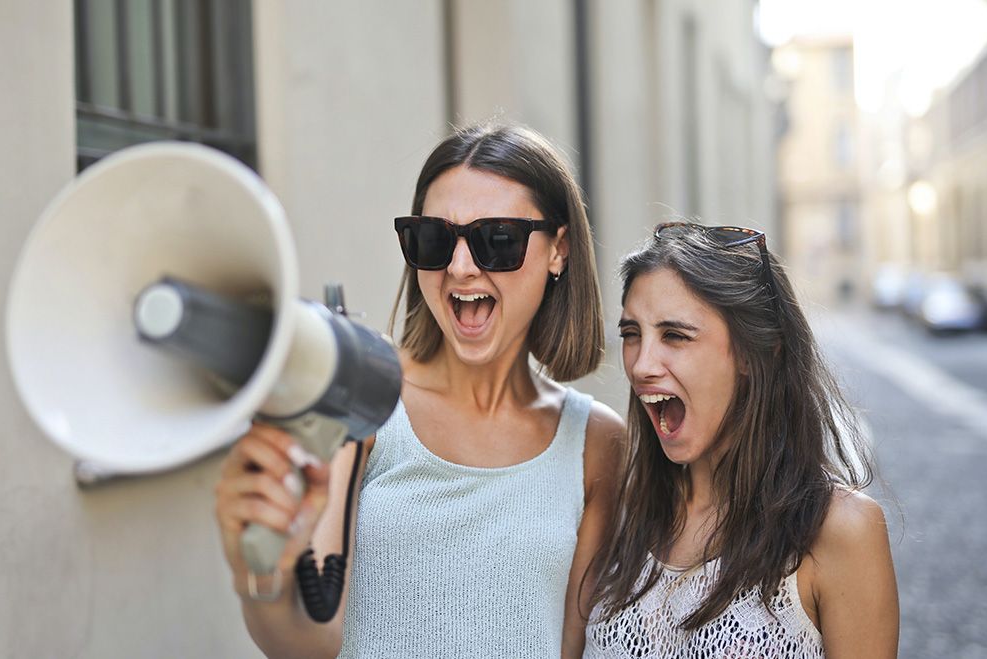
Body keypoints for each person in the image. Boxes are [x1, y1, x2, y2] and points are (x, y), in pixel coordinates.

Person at [214, 123, 624, 658]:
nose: (459, 267)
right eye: (433, 239)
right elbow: (310, 642)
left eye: (496, 239)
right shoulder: (362, 397)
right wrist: (260, 578)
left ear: (559, 250)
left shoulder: (596, 444)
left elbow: (574, 647)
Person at [583, 221, 899, 658]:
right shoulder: (623, 506)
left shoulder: (841, 530)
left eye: (674, 335)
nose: (640, 365)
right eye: (632, 334)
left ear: (757, 353)